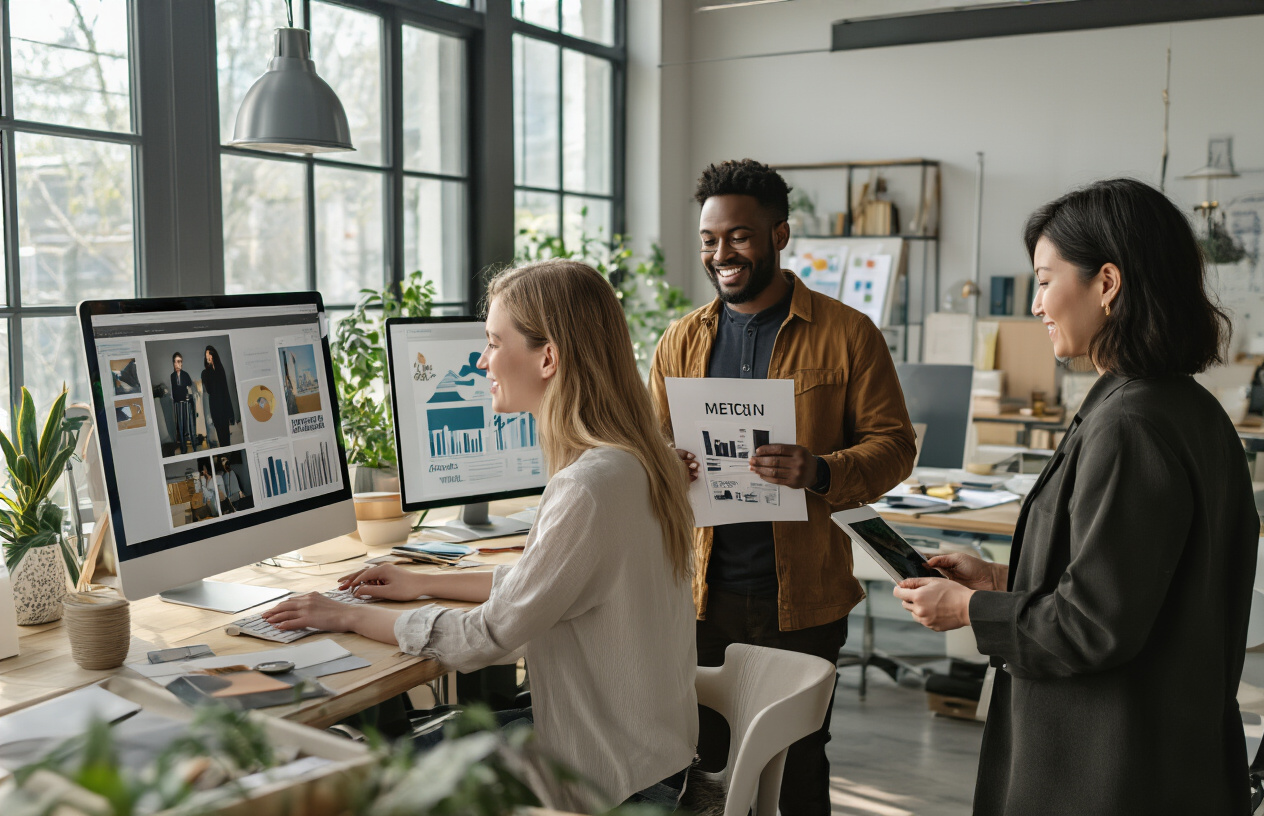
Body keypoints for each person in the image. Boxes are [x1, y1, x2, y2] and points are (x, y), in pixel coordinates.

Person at [260, 260, 699, 812]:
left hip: (611, 781)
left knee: (357, 779)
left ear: (549, 358)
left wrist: (345, 615)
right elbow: (553, 585)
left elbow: (488, 636)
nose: (483, 360)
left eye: (494, 341)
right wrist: (419, 581)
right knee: (416, 743)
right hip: (651, 756)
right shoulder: (638, 462)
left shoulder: (586, 488)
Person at [893, 178, 1258, 815]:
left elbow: (1092, 626)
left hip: (1108, 772)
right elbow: (1136, 584)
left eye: (1043, 279)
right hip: (1169, 756)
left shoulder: (1130, 424)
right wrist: (1001, 582)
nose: (1036, 305)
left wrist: (970, 611)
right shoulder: (1186, 408)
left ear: (1107, 283)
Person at [648, 158, 916, 815]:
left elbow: (895, 447)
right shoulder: (679, 340)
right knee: (702, 768)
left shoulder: (849, 335)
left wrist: (820, 469)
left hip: (804, 600)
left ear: (779, 235)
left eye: (738, 236)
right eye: (710, 240)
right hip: (699, 597)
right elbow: (646, 449)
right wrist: (664, 464)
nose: (721, 253)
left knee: (794, 767)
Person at [200, 345, 235, 448]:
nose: (208, 357)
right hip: (215, 406)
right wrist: (208, 372)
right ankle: (225, 456)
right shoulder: (205, 373)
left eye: (210, 354)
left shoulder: (220, 369)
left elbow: (226, 391)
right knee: (220, 435)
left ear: (214, 355)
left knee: (226, 436)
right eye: (206, 355)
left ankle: (228, 457)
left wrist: (230, 412)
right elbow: (209, 390)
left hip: (224, 405)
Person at [169, 352, 196, 454]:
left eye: (179, 361)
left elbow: (190, 388)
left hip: (187, 404)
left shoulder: (186, 375)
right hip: (177, 404)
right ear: (173, 363)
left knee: (190, 426)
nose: (177, 364)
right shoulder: (172, 376)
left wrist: (189, 396)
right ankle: (183, 449)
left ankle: (194, 447)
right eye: (175, 362)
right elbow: (173, 391)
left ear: (182, 363)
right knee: (180, 427)